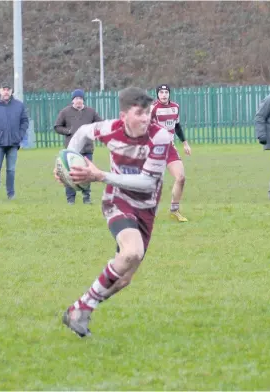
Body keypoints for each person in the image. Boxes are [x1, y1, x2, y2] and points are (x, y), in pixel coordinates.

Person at [54, 87, 171, 337]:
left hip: (146, 208)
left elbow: (149, 182)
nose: (145, 118)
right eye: (139, 113)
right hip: (117, 201)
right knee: (132, 251)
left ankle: (79, 309)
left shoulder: (160, 137)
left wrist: (100, 175)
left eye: (148, 113)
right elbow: (83, 133)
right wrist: (67, 162)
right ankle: (82, 309)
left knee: (124, 278)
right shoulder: (110, 129)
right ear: (124, 115)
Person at [53, 89, 103, 205]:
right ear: (72, 100)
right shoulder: (65, 112)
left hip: (87, 148)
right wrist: (68, 131)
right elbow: (57, 126)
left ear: (83, 100)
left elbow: (100, 124)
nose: (78, 101)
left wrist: (93, 131)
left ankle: (86, 197)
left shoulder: (90, 112)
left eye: (80, 98)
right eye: (76, 99)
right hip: (71, 150)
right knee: (69, 174)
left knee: (87, 173)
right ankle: (70, 199)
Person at [150, 84, 191, 222]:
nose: (163, 94)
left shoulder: (175, 107)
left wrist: (185, 143)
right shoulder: (153, 109)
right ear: (157, 94)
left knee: (181, 177)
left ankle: (174, 210)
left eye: (166, 92)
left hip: (169, 147)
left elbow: (177, 126)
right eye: (161, 92)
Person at [0, 81, 29, 200]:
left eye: (8, 89)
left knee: (11, 170)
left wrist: (20, 135)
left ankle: (11, 194)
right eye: (4, 89)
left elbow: (24, 121)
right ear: (0, 90)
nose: (6, 91)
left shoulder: (19, 105)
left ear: (11, 91)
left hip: (13, 143)